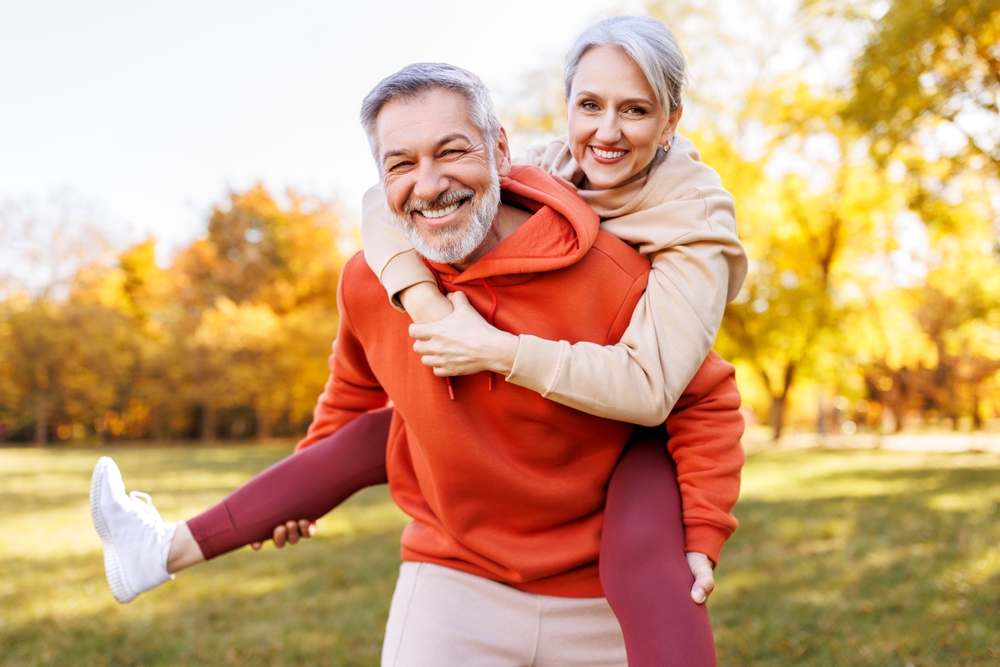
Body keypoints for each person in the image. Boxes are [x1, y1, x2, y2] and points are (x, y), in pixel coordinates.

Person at [91, 17, 744, 667]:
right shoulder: (525, 176)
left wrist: (492, 348)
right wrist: (301, 485)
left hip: (628, 433)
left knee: (649, 559)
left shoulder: (673, 239)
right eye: (590, 105)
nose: (606, 131)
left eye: (635, 109)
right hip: (455, 565)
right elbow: (380, 224)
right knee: (384, 432)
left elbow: (674, 389)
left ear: (671, 120)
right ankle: (159, 550)